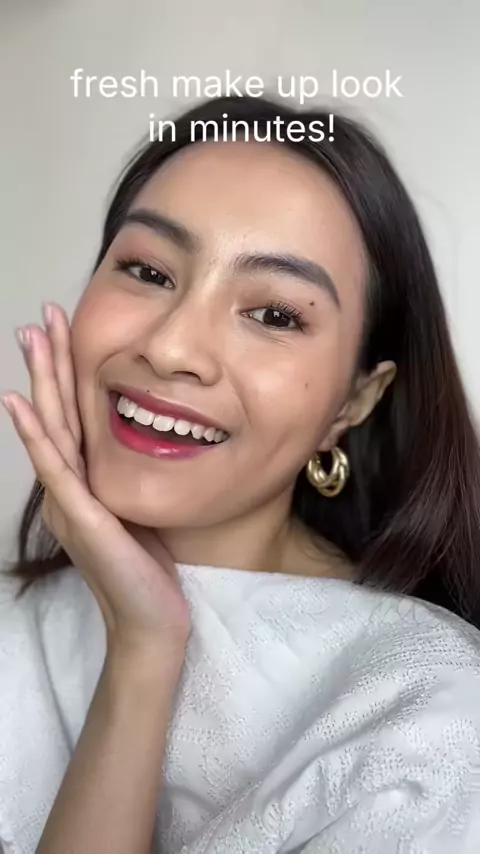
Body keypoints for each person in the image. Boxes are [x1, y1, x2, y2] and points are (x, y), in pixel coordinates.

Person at [1, 94, 480, 854]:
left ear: (354, 401)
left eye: (276, 315)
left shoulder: (431, 717)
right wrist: (143, 645)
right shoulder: (18, 626)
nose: (171, 348)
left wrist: (145, 652)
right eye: (148, 271)